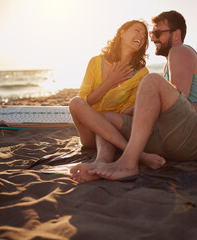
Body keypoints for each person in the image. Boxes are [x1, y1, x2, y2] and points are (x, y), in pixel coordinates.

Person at [71, 11, 197, 182]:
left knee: (152, 80)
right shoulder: (167, 67)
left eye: (157, 33)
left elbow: (181, 97)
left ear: (177, 33)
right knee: (108, 119)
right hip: (174, 137)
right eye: (152, 34)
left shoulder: (179, 50)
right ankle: (101, 163)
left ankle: (128, 163)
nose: (152, 39)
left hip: (192, 134)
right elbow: (169, 107)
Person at [68, 19, 166, 170]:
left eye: (144, 35)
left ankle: (100, 164)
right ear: (122, 33)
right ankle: (139, 155)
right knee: (75, 102)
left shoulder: (141, 73)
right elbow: (84, 101)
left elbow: (125, 113)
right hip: (90, 133)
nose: (142, 35)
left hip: (114, 130)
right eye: (137, 30)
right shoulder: (95, 62)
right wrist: (111, 82)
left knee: (108, 122)